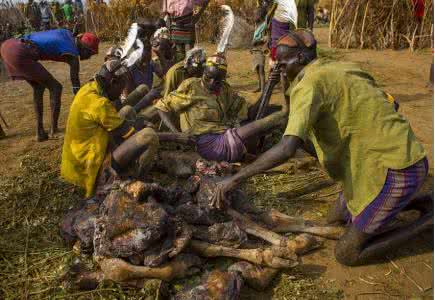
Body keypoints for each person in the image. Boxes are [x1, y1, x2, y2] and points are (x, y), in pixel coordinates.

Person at [210, 30, 432, 266]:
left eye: (283, 65)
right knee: (334, 220)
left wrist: (235, 179)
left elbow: (287, 148)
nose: (279, 69)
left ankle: (426, 223)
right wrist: (286, 79)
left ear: (302, 59)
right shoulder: (342, 67)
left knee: (346, 253)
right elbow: (392, 104)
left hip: (396, 169)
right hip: (393, 158)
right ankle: (420, 202)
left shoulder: (309, 85)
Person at [155, 54, 287, 162]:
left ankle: (252, 154)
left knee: (271, 115)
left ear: (223, 79)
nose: (212, 83)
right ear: (203, 73)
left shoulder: (225, 90)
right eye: (208, 77)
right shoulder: (191, 87)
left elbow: (250, 112)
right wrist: (176, 135)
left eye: (217, 80)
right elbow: (161, 107)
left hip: (225, 133)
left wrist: (269, 85)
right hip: (203, 142)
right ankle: (254, 157)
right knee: (258, 128)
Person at [61, 59, 159, 199]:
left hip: (77, 159)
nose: (120, 93)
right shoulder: (100, 104)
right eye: (120, 88)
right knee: (149, 136)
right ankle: (136, 180)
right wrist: (174, 137)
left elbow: (118, 120)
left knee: (127, 111)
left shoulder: (89, 88)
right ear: (113, 83)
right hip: (89, 168)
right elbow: (130, 134)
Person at [0, 29, 99, 141]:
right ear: (84, 47)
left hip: (9, 46)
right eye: (90, 53)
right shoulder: (72, 52)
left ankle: (40, 132)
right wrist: (85, 105)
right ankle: (53, 131)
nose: (89, 57)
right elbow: (75, 85)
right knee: (56, 88)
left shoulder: (67, 34)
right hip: (20, 51)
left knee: (39, 87)